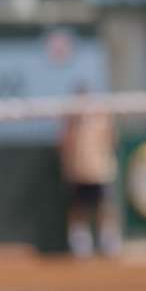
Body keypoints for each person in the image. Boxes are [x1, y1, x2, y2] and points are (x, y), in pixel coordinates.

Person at [59, 86, 120, 258]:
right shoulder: (71, 119)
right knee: (79, 207)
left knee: (105, 205)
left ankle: (109, 242)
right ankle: (80, 243)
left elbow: (112, 139)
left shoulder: (102, 116)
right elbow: (65, 142)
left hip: (100, 170)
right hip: (78, 170)